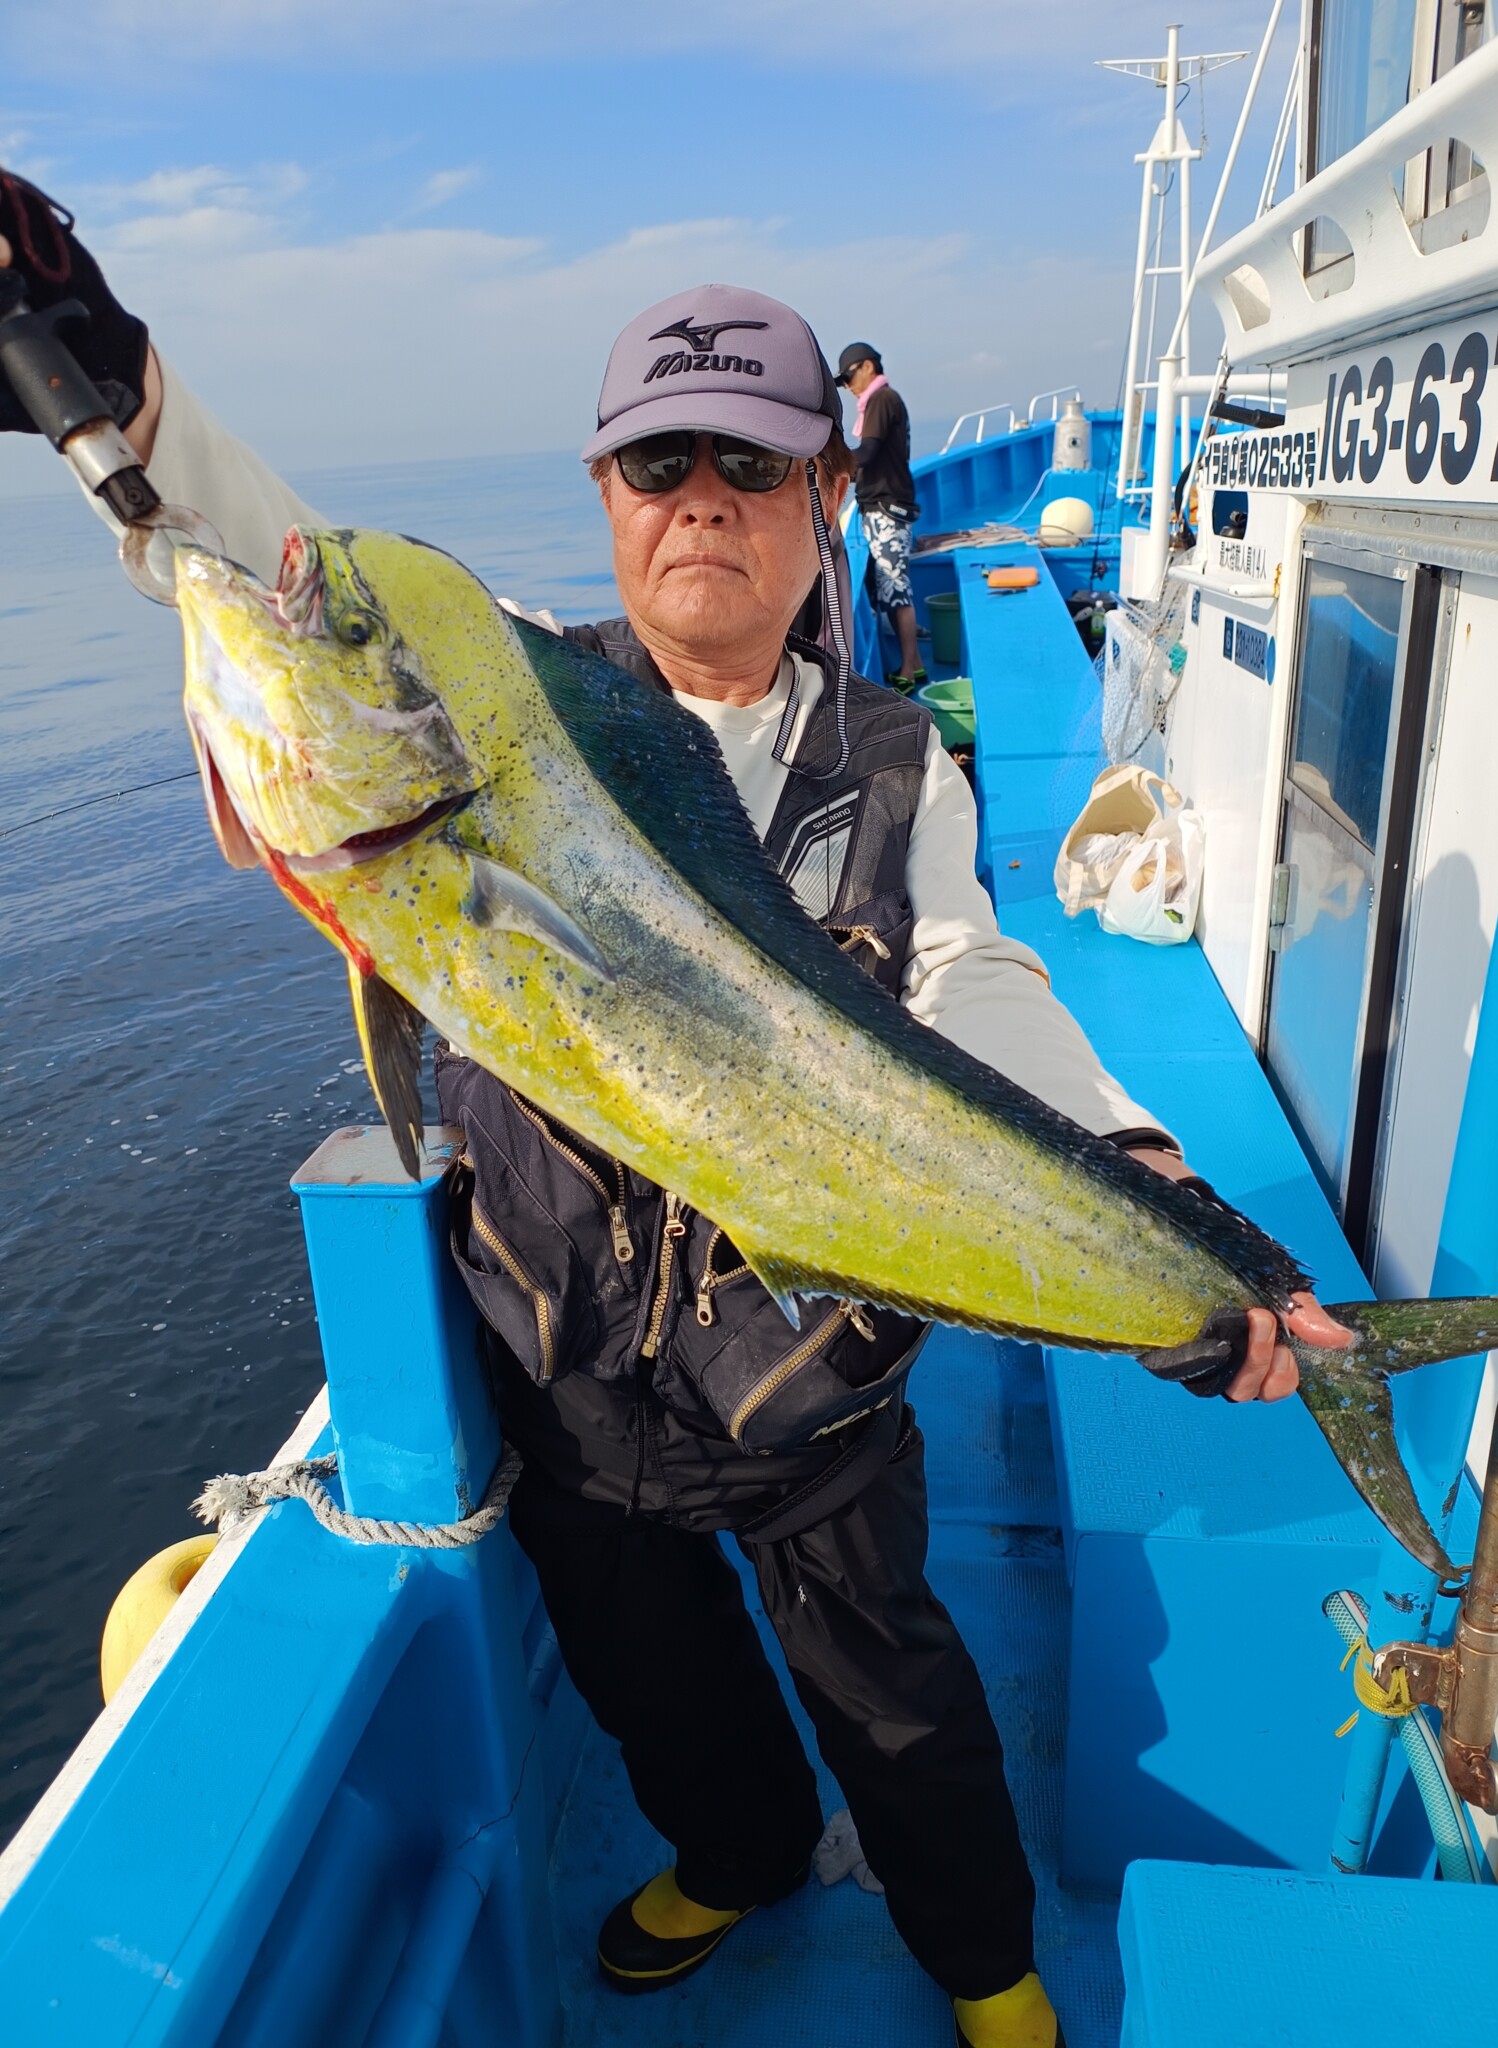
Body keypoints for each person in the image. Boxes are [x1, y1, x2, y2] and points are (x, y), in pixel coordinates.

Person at [0, 173, 1352, 2048]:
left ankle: (984, 1960)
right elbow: (286, 575)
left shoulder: (894, 758)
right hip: (566, 1382)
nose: (702, 497)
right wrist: (123, 398)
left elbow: (969, 981)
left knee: (901, 1707)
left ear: (826, 498)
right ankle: (737, 1852)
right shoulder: (511, 704)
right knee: (660, 1690)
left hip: (817, 1388)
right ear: (606, 498)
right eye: (659, 463)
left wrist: (1148, 1184)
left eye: (752, 464)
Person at [836, 341, 923, 691]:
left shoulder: (881, 400)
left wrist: (831, 464)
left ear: (868, 367)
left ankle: (908, 668)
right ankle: (915, 662)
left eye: (848, 377)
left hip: (888, 508)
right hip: (881, 505)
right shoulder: (878, 402)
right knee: (888, 584)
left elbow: (868, 452)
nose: (847, 386)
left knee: (895, 586)